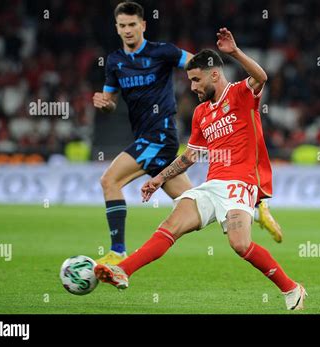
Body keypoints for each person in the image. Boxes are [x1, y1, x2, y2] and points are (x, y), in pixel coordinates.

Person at [94, 28, 307, 310]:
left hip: (240, 183)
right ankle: (123, 270)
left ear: (214, 75)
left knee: (240, 244)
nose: (192, 87)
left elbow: (261, 77)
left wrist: (234, 53)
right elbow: (190, 156)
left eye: (196, 80)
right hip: (211, 185)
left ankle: (292, 288)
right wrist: (158, 179)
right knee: (170, 225)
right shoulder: (201, 113)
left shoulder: (240, 94)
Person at [93, 2, 284, 265]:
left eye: (132, 25)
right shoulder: (114, 61)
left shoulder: (163, 52)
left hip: (159, 133)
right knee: (190, 203)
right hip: (146, 137)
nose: (127, 30)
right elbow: (111, 101)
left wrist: (224, 60)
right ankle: (255, 206)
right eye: (122, 26)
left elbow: (200, 64)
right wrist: (106, 105)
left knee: (109, 181)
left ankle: (118, 252)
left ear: (143, 25)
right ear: (116, 28)